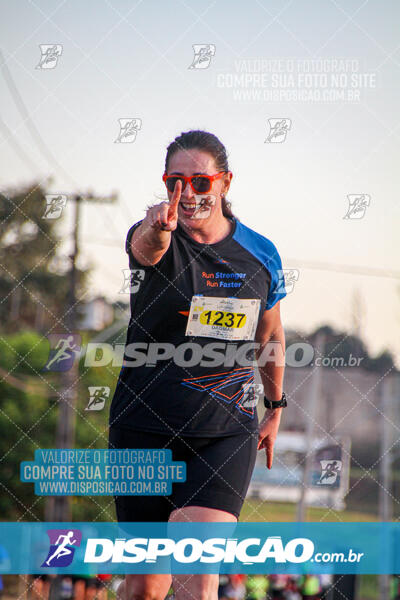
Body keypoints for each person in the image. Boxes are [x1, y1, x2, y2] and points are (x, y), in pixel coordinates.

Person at [108, 129, 287, 600]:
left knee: (197, 579)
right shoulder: (153, 235)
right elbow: (146, 249)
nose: (187, 194)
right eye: (175, 182)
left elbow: (269, 335)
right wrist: (156, 228)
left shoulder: (260, 254)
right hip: (144, 428)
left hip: (223, 432)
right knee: (146, 586)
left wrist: (276, 406)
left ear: (225, 183)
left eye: (200, 182)